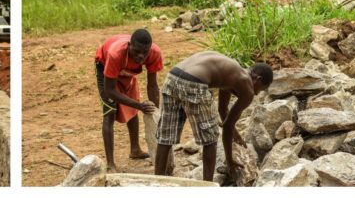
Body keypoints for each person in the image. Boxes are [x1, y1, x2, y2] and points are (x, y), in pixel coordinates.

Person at [153, 51, 274, 184]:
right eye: (261, 89)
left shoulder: (232, 73)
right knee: (210, 139)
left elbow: (222, 111)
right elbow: (227, 126)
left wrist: (236, 135)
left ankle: (157, 183)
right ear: (258, 78)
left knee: (166, 137)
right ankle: (208, 187)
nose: (257, 94)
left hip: (172, 77)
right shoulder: (247, 87)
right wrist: (229, 159)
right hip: (194, 82)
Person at [95, 30, 163, 172]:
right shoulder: (116, 54)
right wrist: (139, 105)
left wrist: (155, 113)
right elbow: (110, 90)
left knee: (132, 110)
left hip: (127, 72)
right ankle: (111, 164)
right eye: (137, 51)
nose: (140, 56)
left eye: (145, 53)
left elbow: (152, 85)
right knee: (110, 112)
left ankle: (135, 150)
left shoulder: (154, 53)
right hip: (105, 67)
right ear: (129, 45)